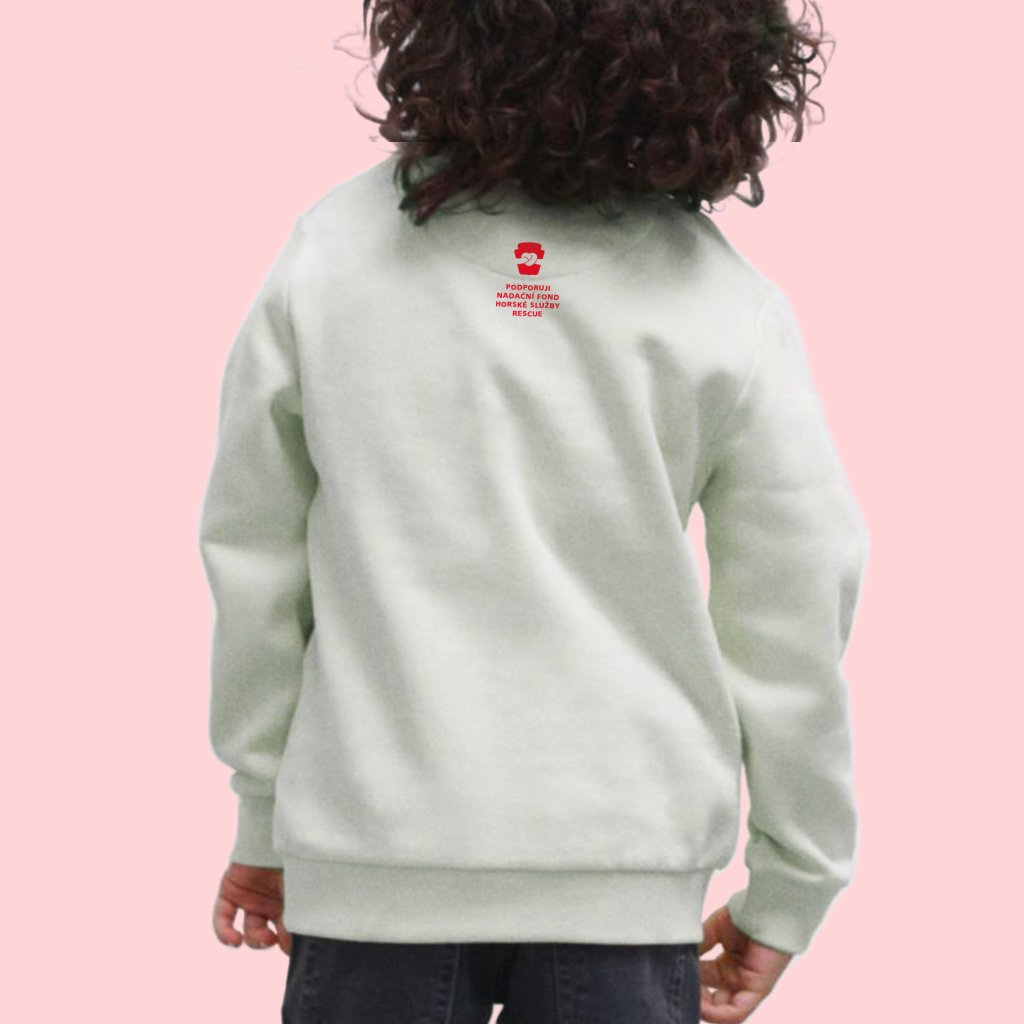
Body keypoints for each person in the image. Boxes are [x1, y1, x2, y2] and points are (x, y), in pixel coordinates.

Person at [199, 2, 869, 1022]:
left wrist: (265, 817)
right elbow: (795, 601)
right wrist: (795, 879)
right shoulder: (719, 297)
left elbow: (255, 561)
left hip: (374, 862)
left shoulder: (335, 252)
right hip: (625, 873)